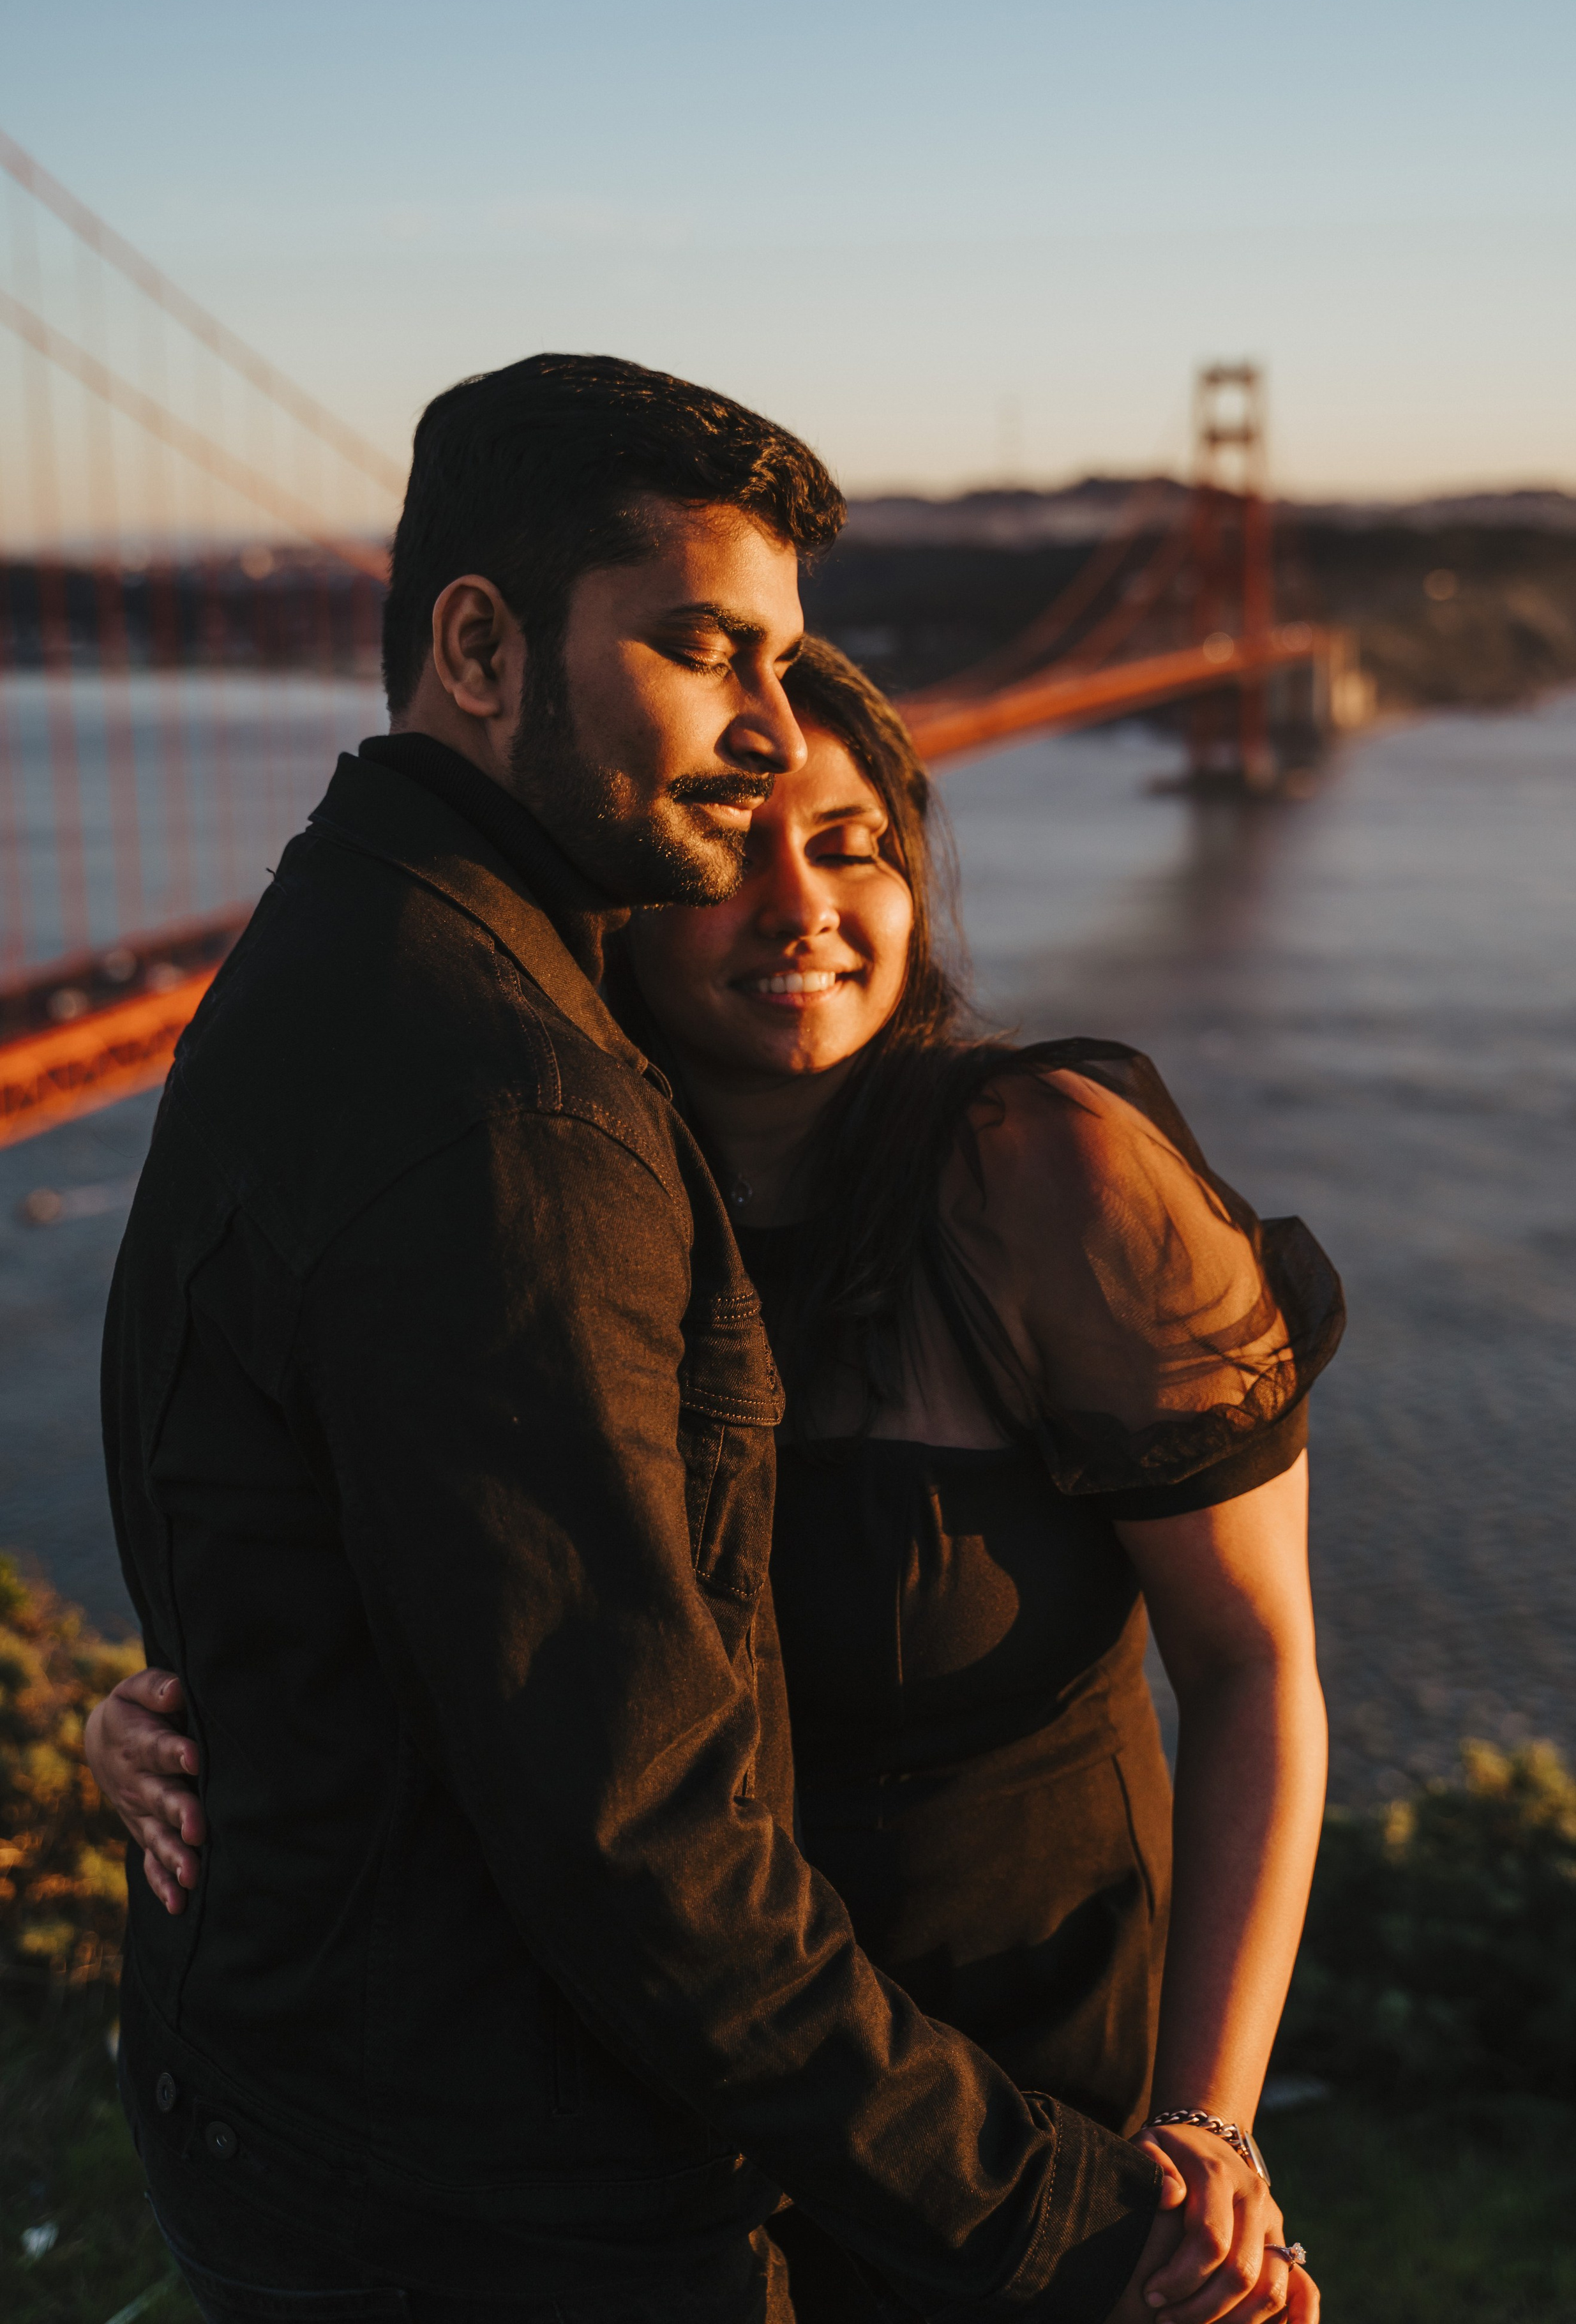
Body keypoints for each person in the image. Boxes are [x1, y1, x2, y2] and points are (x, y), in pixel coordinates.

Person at [94, 567, 1335, 2321]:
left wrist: (1210, 2123)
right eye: (733, 846)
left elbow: (1258, 1661)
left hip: (1026, 2092)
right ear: (623, 891)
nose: (799, 906)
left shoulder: (1051, 1175)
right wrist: (158, 1713)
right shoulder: (545, 1206)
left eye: (850, 844)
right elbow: (464, 1619)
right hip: (688, 2104)